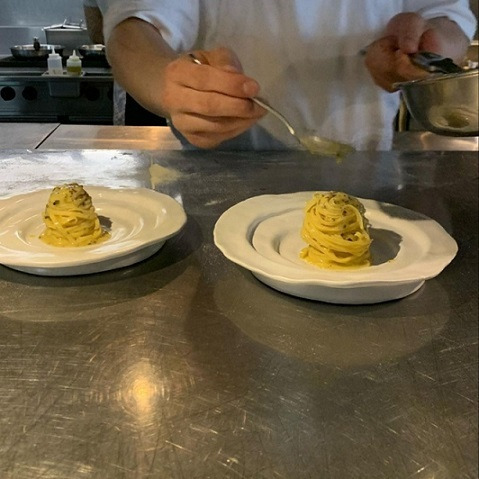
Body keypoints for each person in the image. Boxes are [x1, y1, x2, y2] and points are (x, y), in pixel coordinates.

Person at [102, 1, 477, 150]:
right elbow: (133, 29)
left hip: (368, 175)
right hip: (223, 179)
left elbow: (449, 16)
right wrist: (168, 82)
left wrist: (426, 51)